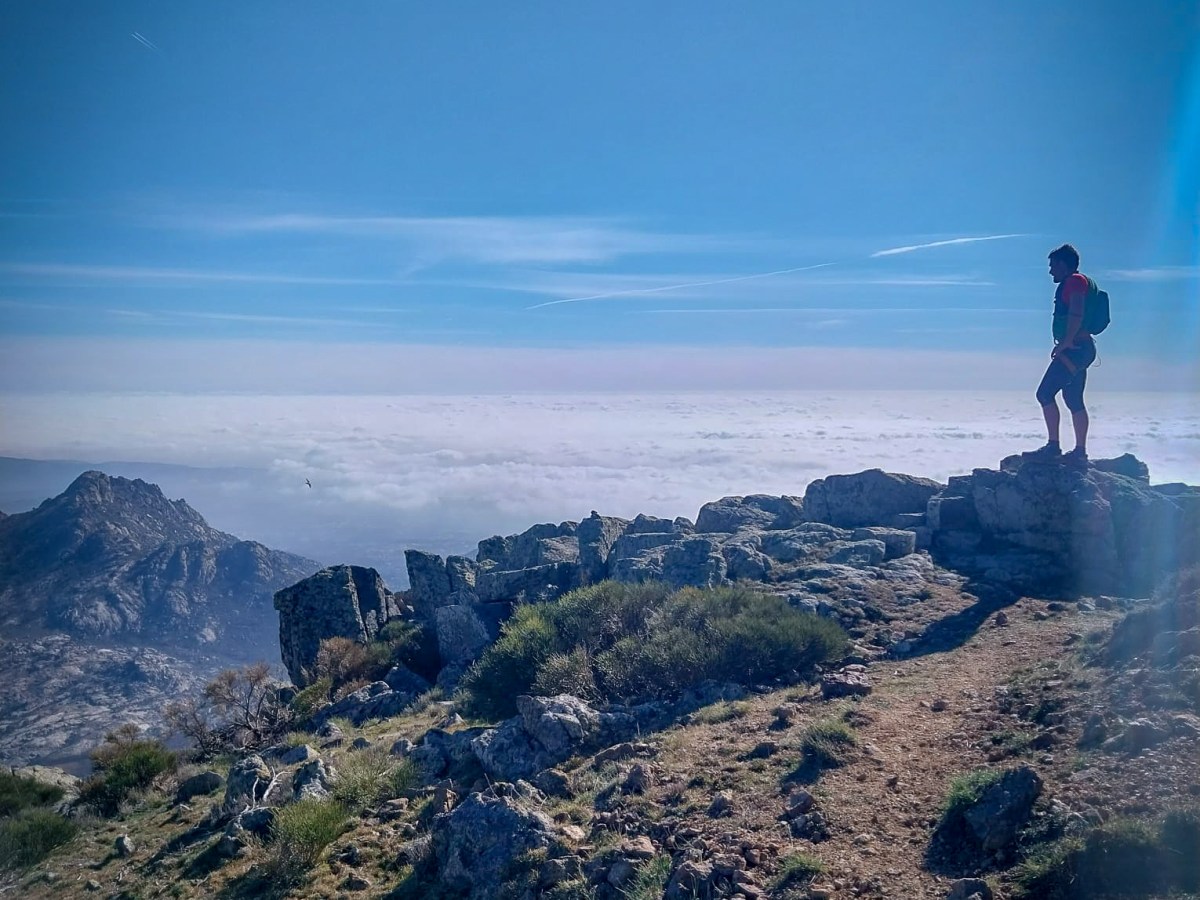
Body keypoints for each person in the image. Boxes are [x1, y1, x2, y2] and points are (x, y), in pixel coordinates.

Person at [1024, 243, 1097, 466]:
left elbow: (1076, 311)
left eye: (1053, 265)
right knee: (1073, 399)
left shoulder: (1074, 281)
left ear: (1063, 265)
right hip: (1083, 348)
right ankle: (1080, 452)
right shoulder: (1083, 282)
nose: (1050, 271)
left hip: (1075, 349)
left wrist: (1065, 343)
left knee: (1044, 394)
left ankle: (1053, 447)